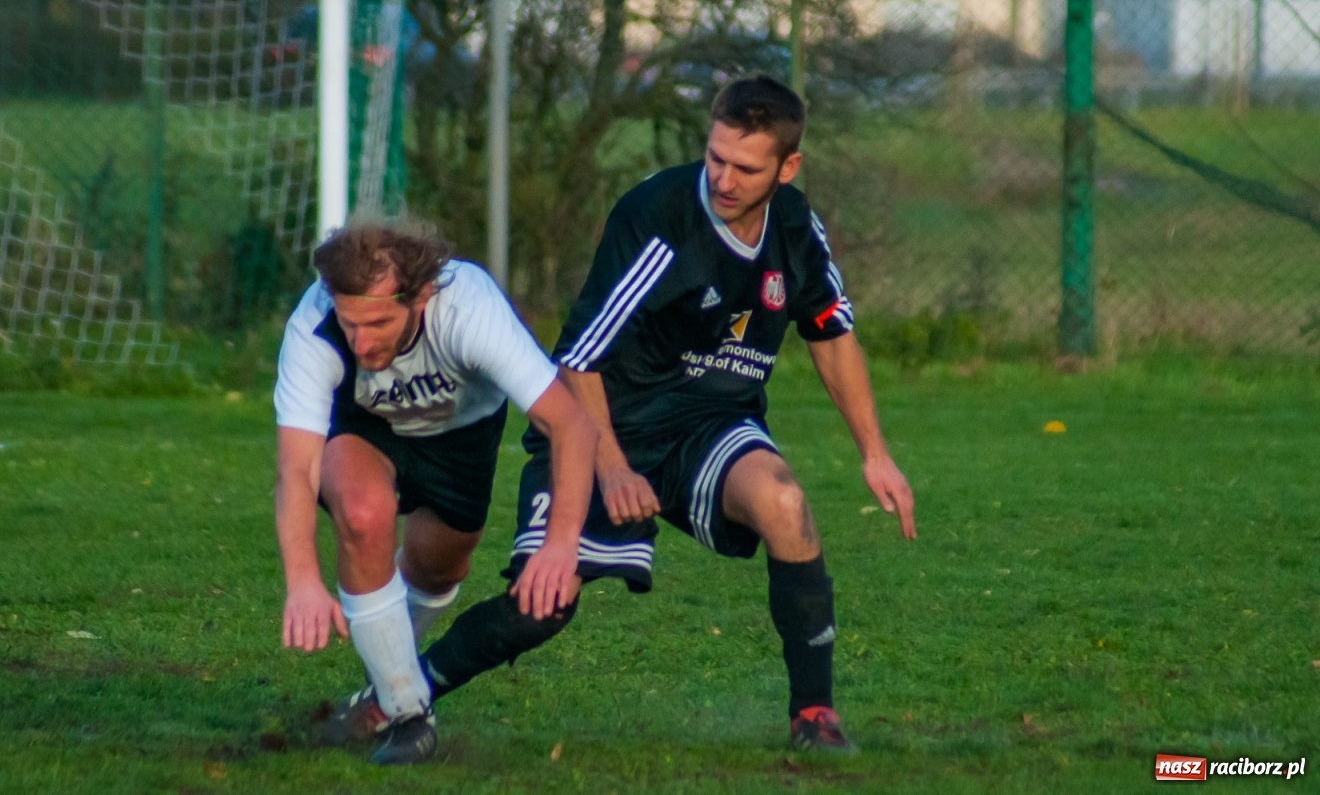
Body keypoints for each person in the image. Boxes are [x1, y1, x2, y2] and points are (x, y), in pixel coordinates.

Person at [329, 75, 916, 754]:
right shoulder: (658, 219)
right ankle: (403, 694)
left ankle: (814, 715)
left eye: (746, 168)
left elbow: (831, 333)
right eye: (715, 157)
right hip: (604, 424)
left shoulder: (794, 225)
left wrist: (874, 453)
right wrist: (611, 470)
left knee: (785, 503)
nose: (723, 179)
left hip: (710, 425)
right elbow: (577, 361)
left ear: (787, 168)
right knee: (542, 606)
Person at [274, 219, 598, 766]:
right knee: (363, 514)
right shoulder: (315, 324)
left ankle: (385, 680)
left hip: (461, 437)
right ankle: (407, 712)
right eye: (351, 324)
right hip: (365, 424)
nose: (362, 342)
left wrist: (562, 544)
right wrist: (303, 578)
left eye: (378, 322)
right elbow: (296, 469)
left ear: (421, 296)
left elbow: (571, 426)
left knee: (438, 564)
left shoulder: (468, 310)